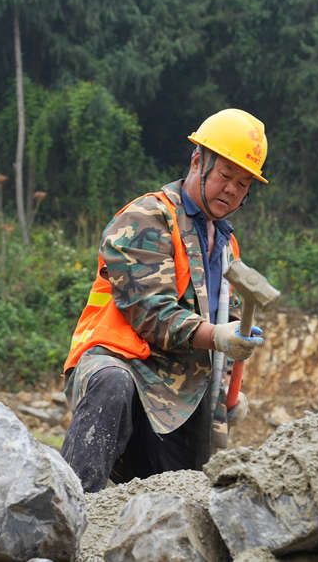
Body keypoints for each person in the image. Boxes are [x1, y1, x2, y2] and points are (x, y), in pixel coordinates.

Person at [60, 108, 269, 492]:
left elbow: (227, 327)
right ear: (197, 161)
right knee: (112, 384)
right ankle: (64, 518)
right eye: (225, 175)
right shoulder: (146, 218)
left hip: (177, 394)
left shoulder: (227, 247)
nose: (232, 190)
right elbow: (152, 313)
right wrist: (219, 337)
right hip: (121, 363)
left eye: (243, 184)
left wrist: (230, 391)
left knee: (178, 498)